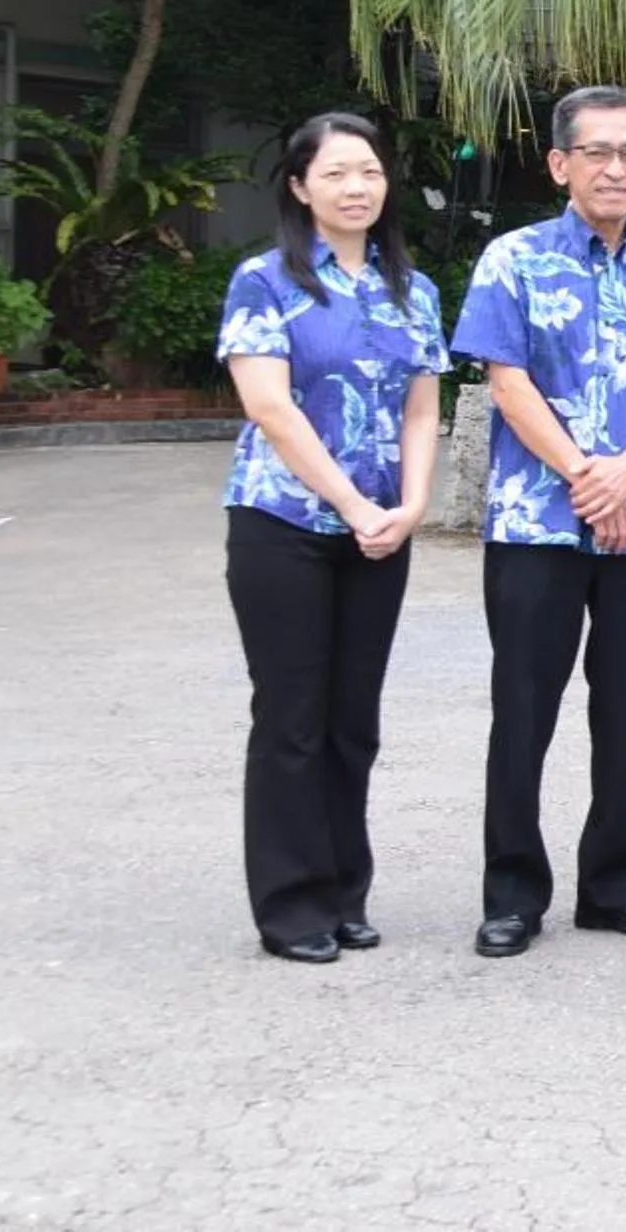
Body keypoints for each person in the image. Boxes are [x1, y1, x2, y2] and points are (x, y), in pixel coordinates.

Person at [453, 87, 626, 960]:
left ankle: (613, 884)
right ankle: (512, 893)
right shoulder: (513, 259)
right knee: (523, 710)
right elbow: (506, 378)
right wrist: (581, 473)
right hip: (536, 525)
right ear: (561, 163)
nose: (617, 168)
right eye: (598, 152)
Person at [217, 113, 448, 963]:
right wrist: (353, 503)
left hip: (382, 531)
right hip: (284, 523)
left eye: (371, 172)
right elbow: (269, 408)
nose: (358, 187)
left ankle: (345, 890)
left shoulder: (409, 289)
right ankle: (291, 905)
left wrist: (413, 503)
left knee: (354, 720)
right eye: (339, 173)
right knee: (292, 718)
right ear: (299, 185)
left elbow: (423, 406)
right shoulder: (265, 280)